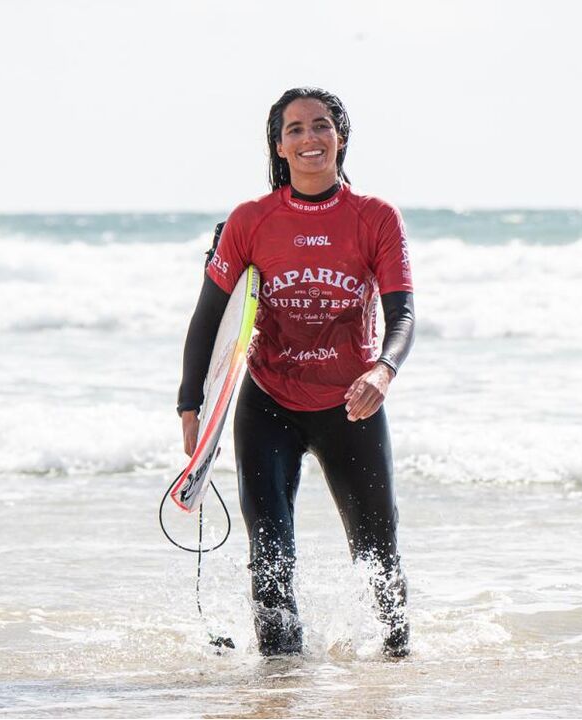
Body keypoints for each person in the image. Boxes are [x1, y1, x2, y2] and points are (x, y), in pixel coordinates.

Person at [176, 87, 416, 658]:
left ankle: (397, 672)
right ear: (278, 146)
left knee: (378, 554)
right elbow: (210, 316)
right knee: (270, 554)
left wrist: (383, 371)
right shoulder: (251, 221)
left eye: (321, 126)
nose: (310, 138)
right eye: (295, 129)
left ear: (340, 136)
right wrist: (192, 406)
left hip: (351, 405)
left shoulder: (376, 218)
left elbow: (402, 313)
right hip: (268, 405)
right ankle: (280, 686)